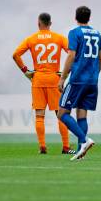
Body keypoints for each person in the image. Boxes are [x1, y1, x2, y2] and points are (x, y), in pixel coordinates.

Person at [13, 12, 74, 154]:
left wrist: (26, 71)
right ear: (50, 24)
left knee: (39, 115)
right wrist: (65, 73)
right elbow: (73, 54)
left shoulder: (31, 39)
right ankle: (65, 146)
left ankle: (42, 146)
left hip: (38, 79)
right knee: (61, 114)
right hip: (54, 79)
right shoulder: (59, 38)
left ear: (38, 23)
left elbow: (15, 55)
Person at [58, 6, 101, 161]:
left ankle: (84, 140)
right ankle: (80, 153)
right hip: (92, 81)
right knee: (81, 115)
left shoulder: (75, 33)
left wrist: (63, 77)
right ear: (89, 18)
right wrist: (94, 75)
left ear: (75, 17)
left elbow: (71, 55)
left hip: (77, 80)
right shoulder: (97, 34)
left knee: (62, 113)